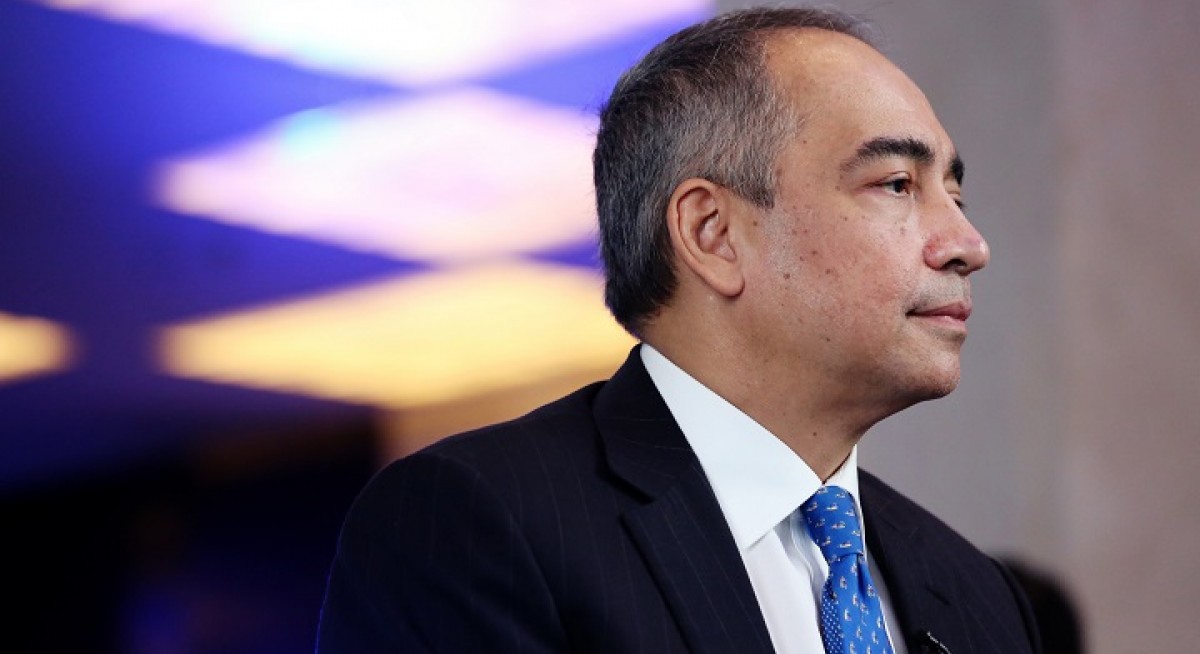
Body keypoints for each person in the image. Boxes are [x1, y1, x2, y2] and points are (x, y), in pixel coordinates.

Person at [317, 7, 1041, 654]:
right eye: (896, 184)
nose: (968, 244)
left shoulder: (979, 593)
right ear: (712, 233)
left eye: (956, 193)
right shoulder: (476, 524)